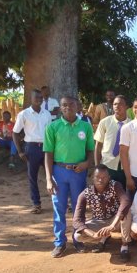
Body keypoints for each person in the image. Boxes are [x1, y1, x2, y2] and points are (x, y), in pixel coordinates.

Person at [44, 96, 94, 258]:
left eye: (71, 104)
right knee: (59, 207)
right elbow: (48, 155)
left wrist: (86, 164)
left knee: (79, 207)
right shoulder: (53, 127)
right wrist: (48, 178)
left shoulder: (85, 127)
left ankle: (77, 238)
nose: (68, 108)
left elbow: (90, 151)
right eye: (64, 105)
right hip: (59, 171)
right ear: (60, 108)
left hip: (78, 173)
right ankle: (60, 242)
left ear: (77, 106)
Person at [73, 165, 132, 261]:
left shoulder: (115, 185)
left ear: (109, 178)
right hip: (99, 222)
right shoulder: (85, 194)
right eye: (97, 177)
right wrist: (93, 234)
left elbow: (125, 201)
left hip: (116, 221)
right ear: (93, 178)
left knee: (126, 212)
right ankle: (103, 237)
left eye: (104, 177)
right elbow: (77, 220)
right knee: (78, 236)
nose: (100, 180)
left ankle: (124, 246)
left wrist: (112, 225)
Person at [12, 90, 52, 213]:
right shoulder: (24, 114)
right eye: (37, 97)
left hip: (46, 147)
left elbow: (50, 133)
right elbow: (15, 132)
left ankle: (60, 202)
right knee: (32, 177)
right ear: (31, 98)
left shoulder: (47, 114)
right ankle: (36, 204)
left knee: (53, 175)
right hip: (31, 148)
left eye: (41, 97)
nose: (39, 99)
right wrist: (20, 151)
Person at [94, 95, 131, 189]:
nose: (117, 106)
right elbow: (98, 146)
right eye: (115, 104)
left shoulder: (132, 125)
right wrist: (97, 166)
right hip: (107, 166)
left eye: (120, 104)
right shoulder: (105, 122)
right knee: (105, 194)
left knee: (121, 194)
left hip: (124, 168)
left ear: (127, 106)